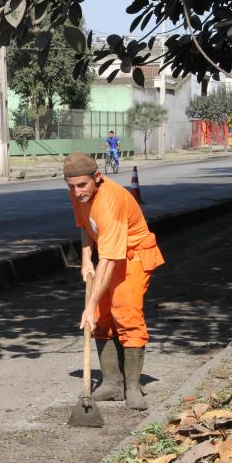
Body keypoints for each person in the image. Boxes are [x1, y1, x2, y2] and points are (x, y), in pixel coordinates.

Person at [64, 152, 165, 410]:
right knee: (101, 315)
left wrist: (88, 307)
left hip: (134, 256)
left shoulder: (110, 202)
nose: (76, 192)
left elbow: (108, 262)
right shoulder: (79, 193)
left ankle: (132, 386)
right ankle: (111, 383)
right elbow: (86, 227)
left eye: (82, 185)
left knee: (125, 310)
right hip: (110, 253)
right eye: (71, 186)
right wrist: (86, 259)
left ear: (97, 178)